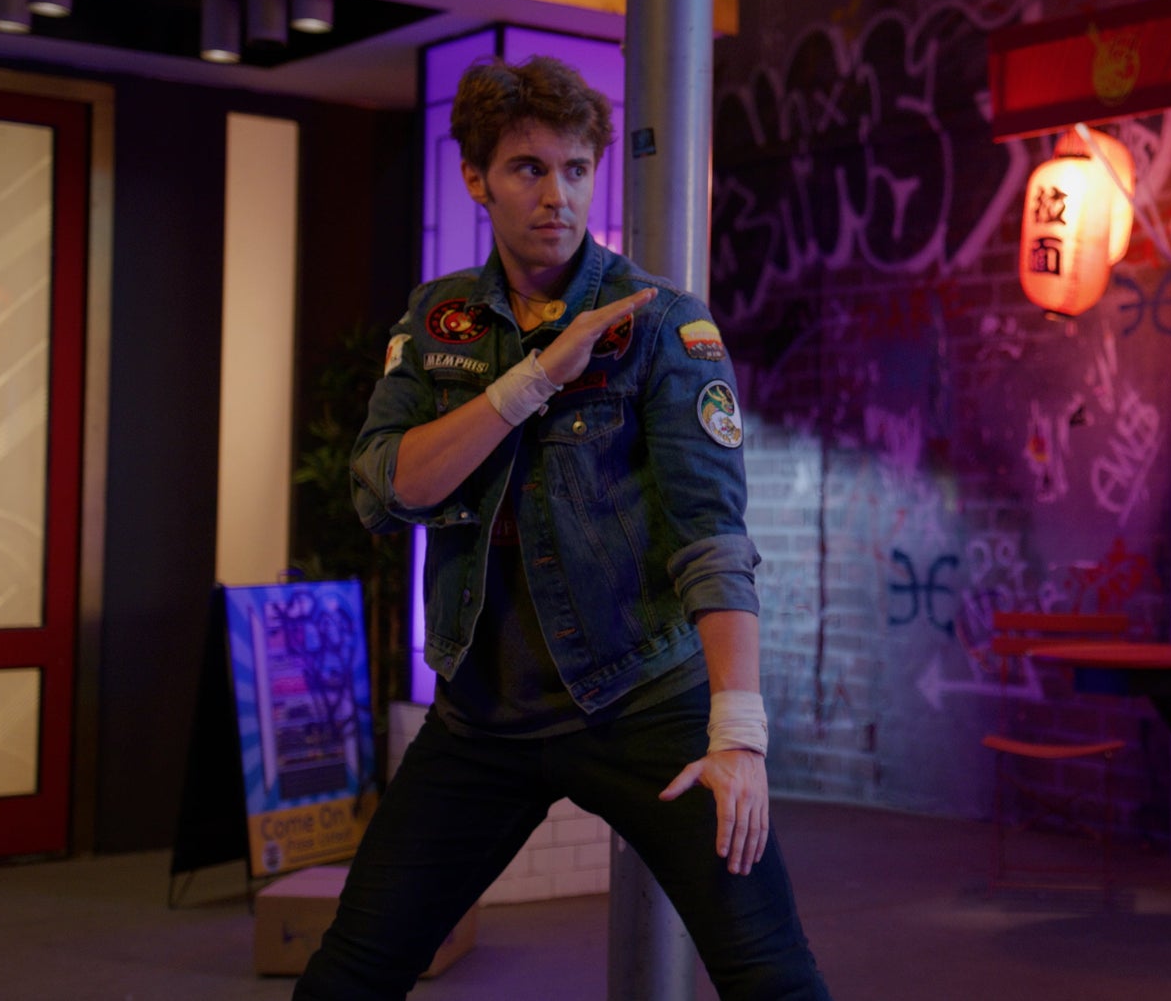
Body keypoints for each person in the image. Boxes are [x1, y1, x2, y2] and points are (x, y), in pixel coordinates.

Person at [297, 55, 828, 1000]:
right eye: (528, 168)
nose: (557, 195)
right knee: (349, 973)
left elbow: (713, 535)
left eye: (576, 169)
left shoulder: (663, 323)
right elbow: (386, 491)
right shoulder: (440, 323)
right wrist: (530, 381)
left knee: (771, 976)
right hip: (483, 714)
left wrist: (738, 731)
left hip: (641, 699)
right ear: (477, 179)